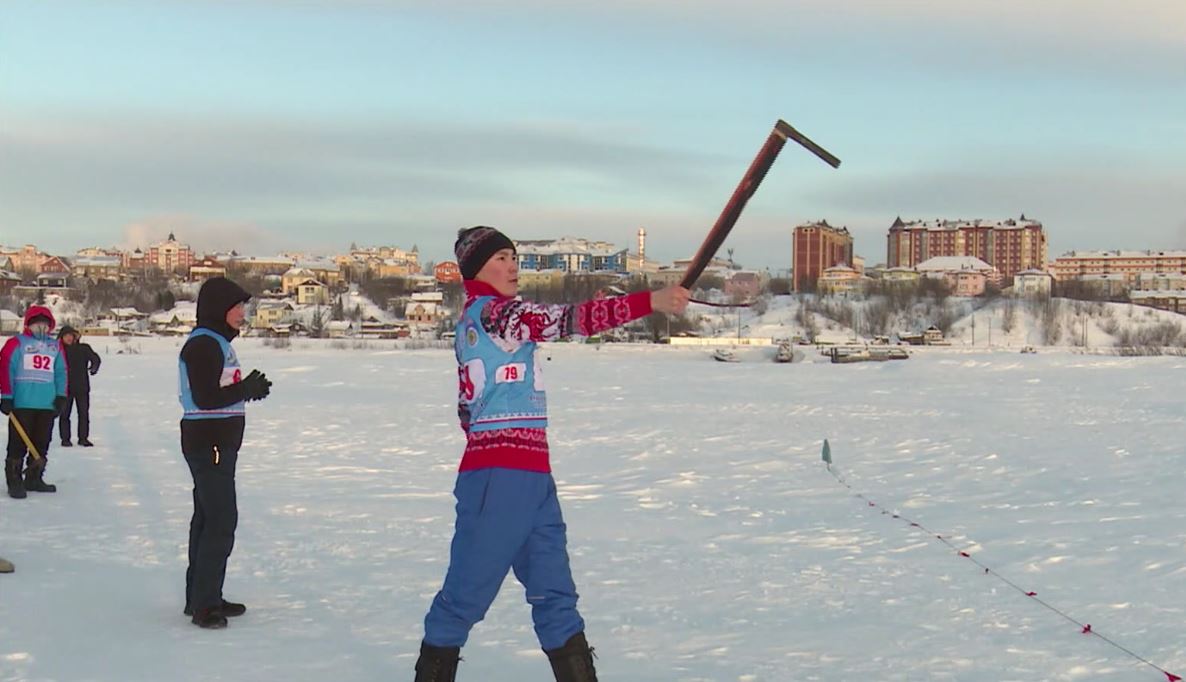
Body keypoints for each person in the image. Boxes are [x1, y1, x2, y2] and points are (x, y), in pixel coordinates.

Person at [414, 227, 690, 682]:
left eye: (514, 258)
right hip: (499, 477)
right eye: (500, 258)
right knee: (464, 596)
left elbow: (467, 408)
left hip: (532, 476)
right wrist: (650, 302)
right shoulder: (495, 314)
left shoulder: (488, 321)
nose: (512, 267)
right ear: (475, 269)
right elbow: (565, 321)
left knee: (554, 594)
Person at [178, 277, 272, 629]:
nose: (243, 314)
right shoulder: (204, 344)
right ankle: (204, 605)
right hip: (210, 442)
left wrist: (244, 390)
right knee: (219, 520)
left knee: (207, 519)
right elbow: (204, 398)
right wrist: (244, 388)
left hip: (215, 442)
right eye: (237, 307)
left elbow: (216, 391)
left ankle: (203, 597)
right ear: (220, 309)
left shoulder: (214, 342)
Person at [1, 305, 68, 499]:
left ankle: (34, 477)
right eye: (37, 322)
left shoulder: (55, 346)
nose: (41, 326)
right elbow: (6, 367)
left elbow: (61, 372)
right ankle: (14, 480)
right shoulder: (16, 343)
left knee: (41, 442)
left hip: (46, 403)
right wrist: (6, 396)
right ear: (29, 323)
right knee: (18, 444)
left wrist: (61, 395)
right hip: (22, 403)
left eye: (45, 322)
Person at [56, 325, 101, 447]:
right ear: (62, 337)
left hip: (82, 387)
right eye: (66, 336)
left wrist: (94, 367)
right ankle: (65, 439)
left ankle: (83, 438)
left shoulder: (83, 348)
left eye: (71, 335)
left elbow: (95, 358)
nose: (69, 338)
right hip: (65, 388)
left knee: (83, 414)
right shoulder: (58, 351)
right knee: (65, 415)